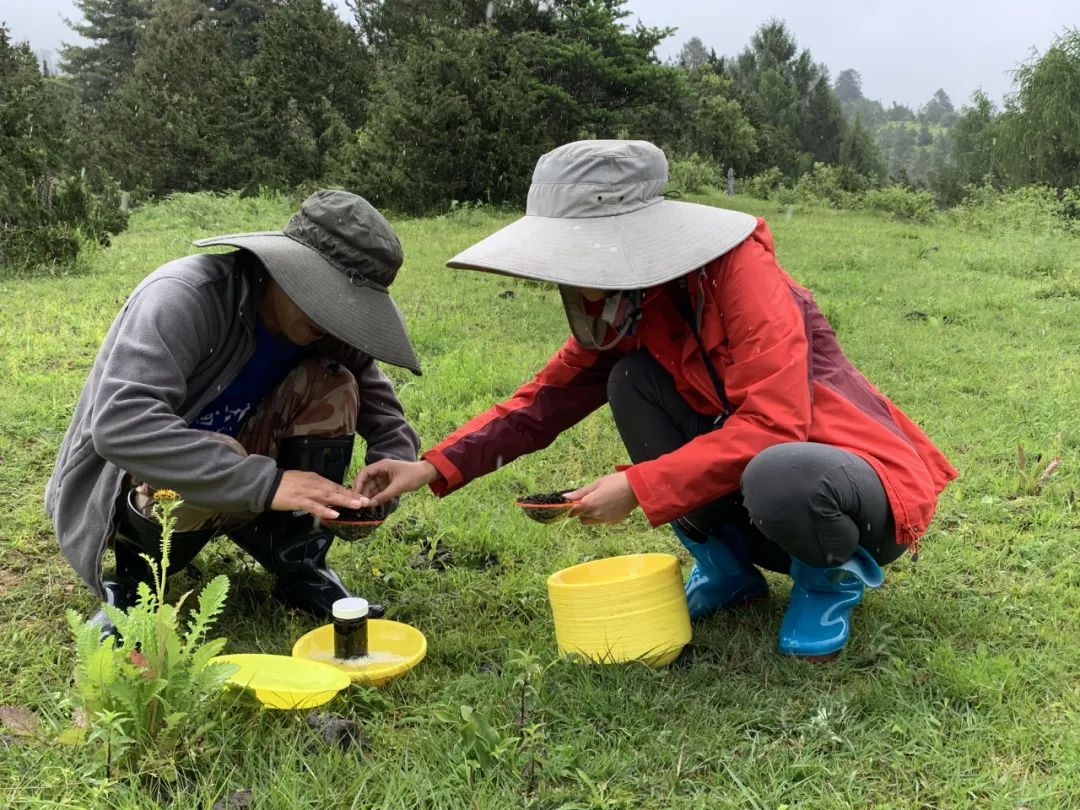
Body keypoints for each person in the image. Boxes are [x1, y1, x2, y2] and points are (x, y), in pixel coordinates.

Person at [354, 140, 958, 661]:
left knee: (782, 470)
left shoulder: (738, 273)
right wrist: (429, 466)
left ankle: (829, 582)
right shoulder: (630, 301)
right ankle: (727, 567)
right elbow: (544, 401)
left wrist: (639, 488)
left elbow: (775, 425)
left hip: (851, 486)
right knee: (630, 381)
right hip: (764, 483)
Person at [45, 190, 422, 638]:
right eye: (325, 298)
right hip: (146, 489)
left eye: (344, 307)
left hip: (242, 478)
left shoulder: (331, 332)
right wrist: (271, 482)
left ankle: (299, 566)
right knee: (215, 448)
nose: (334, 318)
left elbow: (386, 417)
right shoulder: (184, 297)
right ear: (286, 269)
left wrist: (390, 462)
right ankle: (134, 585)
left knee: (335, 385)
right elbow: (121, 425)